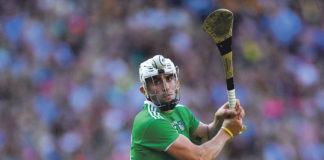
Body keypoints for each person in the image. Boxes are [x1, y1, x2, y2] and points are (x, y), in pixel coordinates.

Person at [130, 55, 245, 160]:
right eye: (156, 82)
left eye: (169, 78)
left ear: (177, 83)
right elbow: (198, 157)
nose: (165, 87)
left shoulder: (181, 111)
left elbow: (206, 135)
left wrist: (219, 120)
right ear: (144, 91)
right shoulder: (150, 121)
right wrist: (227, 132)